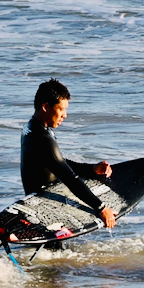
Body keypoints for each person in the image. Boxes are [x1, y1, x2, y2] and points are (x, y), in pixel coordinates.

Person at [21, 78, 116, 228]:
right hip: (47, 208)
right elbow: (70, 178)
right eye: (61, 109)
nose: (65, 115)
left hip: (43, 199)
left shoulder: (33, 127)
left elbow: (57, 164)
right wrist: (101, 208)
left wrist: (91, 169)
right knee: (57, 251)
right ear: (45, 106)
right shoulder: (42, 139)